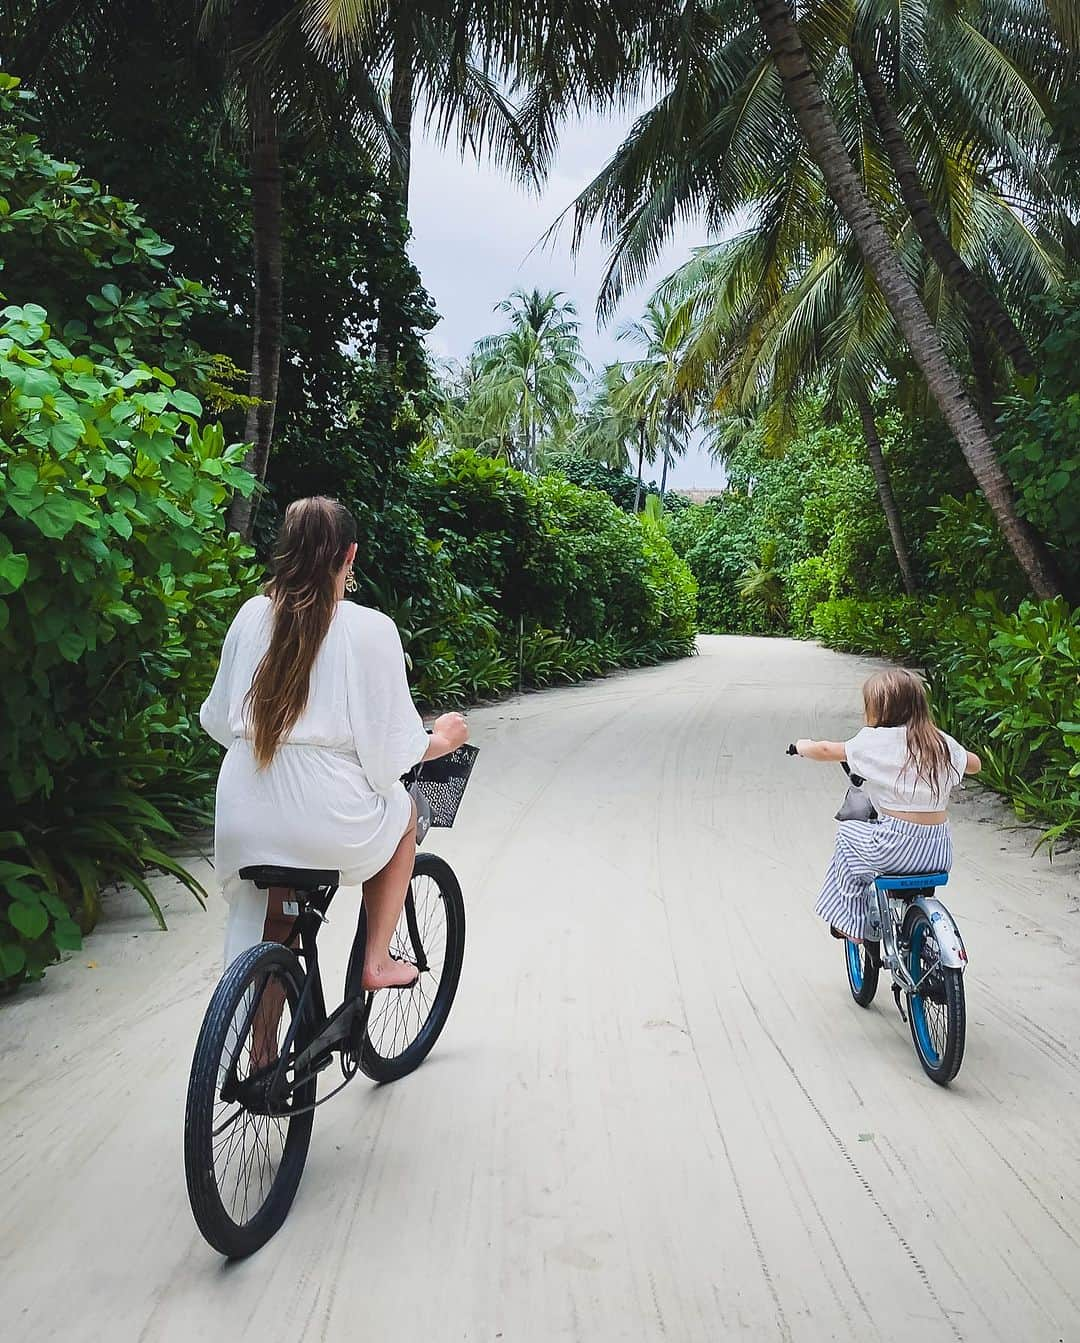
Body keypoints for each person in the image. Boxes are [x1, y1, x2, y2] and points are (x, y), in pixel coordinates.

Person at [200, 495, 468, 988]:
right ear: (351, 556)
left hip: (243, 815)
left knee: (277, 918)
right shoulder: (371, 628)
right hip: (326, 821)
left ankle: (262, 1056)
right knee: (405, 812)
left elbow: (217, 721)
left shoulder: (249, 616)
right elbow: (392, 754)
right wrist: (443, 739)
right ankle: (378, 960)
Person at [792, 667, 981, 944]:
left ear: (878, 710)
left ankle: (851, 924)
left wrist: (802, 745)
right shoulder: (940, 741)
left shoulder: (873, 741)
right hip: (938, 851)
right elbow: (974, 764)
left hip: (894, 847)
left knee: (847, 835)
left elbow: (825, 750)